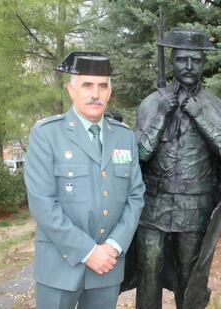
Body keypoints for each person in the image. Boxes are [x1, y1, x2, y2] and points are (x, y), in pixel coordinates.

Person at [25, 51, 145, 309]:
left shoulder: (124, 137)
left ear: (110, 93)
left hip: (106, 268)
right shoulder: (47, 134)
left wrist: (113, 246)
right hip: (59, 267)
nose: (96, 93)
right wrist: (90, 252)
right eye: (87, 85)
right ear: (71, 90)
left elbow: (135, 196)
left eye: (103, 86)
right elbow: (42, 203)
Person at [134, 28, 221, 308]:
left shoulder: (212, 104)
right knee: (148, 273)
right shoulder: (152, 102)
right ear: (172, 62)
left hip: (194, 208)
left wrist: (199, 115)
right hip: (153, 207)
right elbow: (140, 154)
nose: (189, 67)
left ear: (203, 63)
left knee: (190, 278)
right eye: (182, 60)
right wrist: (161, 115)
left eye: (196, 60)